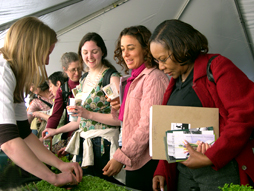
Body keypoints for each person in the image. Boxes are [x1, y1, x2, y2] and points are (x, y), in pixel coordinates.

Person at [150, 19, 254, 191]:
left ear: (181, 49)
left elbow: (243, 115)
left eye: (162, 59)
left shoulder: (218, 66)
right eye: (156, 61)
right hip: (184, 172)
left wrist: (211, 157)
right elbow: (170, 129)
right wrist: (162, 167)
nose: (160, 67)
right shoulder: (174, 82)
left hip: (219, 170)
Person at [0, 16, 82, 188]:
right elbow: (8, 141)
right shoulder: (3, 72)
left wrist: (60, 166)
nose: (46, 62)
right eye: (46, 53)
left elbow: (23, 133)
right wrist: (54, 178)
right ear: (32, 48)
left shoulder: (12, 74)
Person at [43, 32, 122, 184]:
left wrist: (88, 114)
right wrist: (56, 131)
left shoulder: (110, 77)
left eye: (94, 51)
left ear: (102, 52)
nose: (89, 57)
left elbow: (120, 119)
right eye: (85, 52)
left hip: (103, 145)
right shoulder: (84, 78)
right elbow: (79, 121)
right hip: (84, 143)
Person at [102, 25, 169, 191]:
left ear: (146, 49)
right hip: (134, 158)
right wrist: (117, 107)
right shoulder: (132, 79)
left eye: (131, 48)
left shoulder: (154, 78)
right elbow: (128, 121)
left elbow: (148, 124)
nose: (125, 54)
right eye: (122, 49)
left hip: (147, 161)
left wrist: (122, 156)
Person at [45, 52, 82, 154]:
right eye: (73, 70)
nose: (77, 73)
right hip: (70, 135)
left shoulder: (88, 83)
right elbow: (55, 116)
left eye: (79, 68)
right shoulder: (63, 90)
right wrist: (48, 135)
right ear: (65, 70)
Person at [33, 72, 68, 154]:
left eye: (51, 86)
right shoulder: (60, 98)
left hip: (58, 139)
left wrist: (40, 114)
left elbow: (56, 119)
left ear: (58, 84)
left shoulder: (61, 100)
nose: (50, 89)